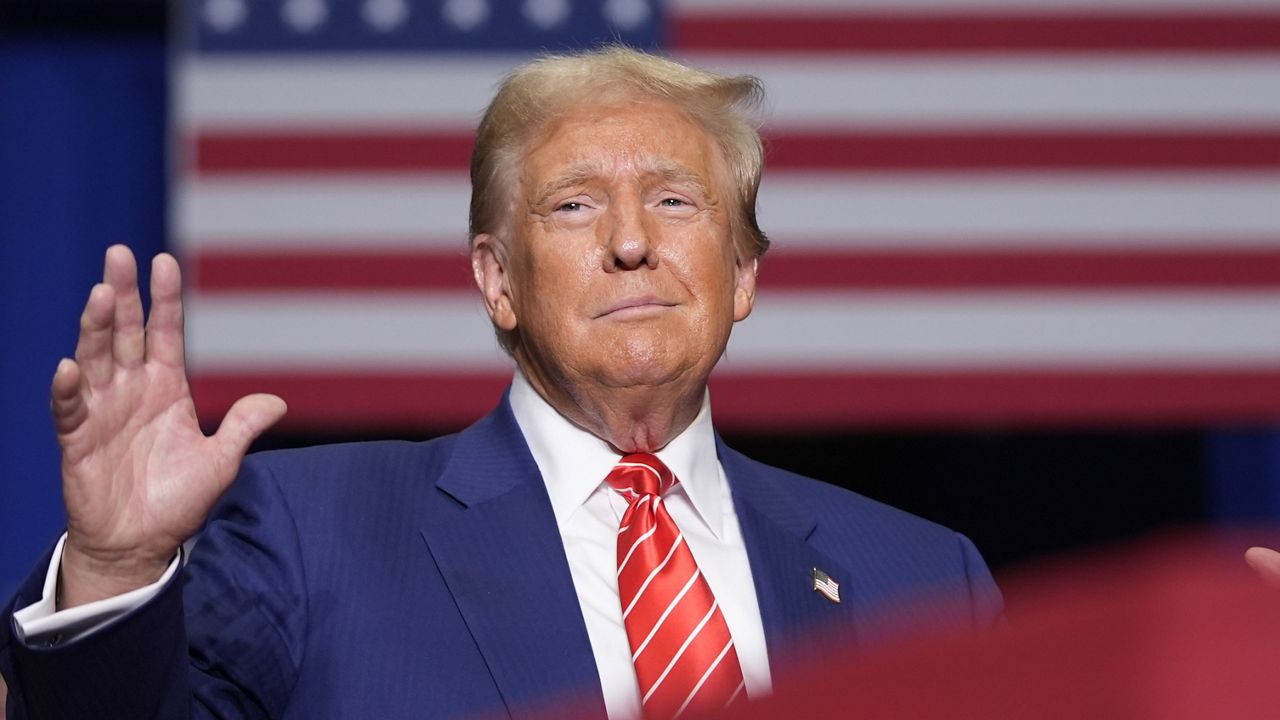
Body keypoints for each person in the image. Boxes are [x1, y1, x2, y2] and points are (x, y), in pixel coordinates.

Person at [0, 47, 1003, 719]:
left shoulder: (924, 578)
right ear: (496, 280)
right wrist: (116, 574)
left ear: (740, 274)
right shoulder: (308, 536)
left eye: (672, 199)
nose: (628, 242)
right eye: (573, 206)